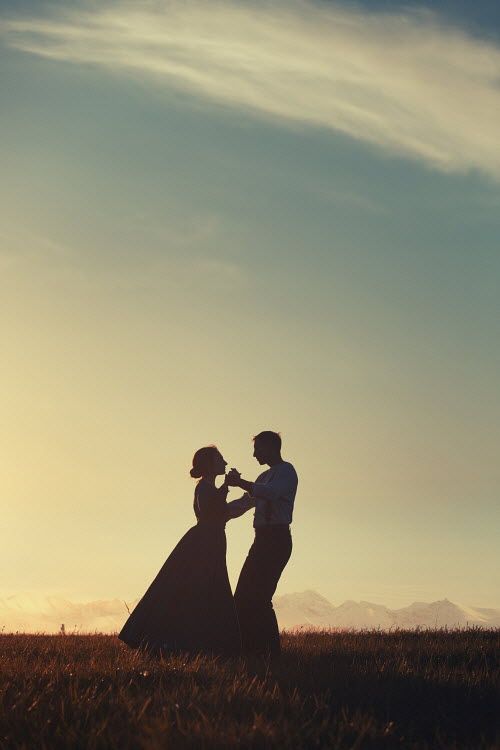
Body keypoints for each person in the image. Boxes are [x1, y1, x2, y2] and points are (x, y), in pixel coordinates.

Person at [118, 446, 241, 656]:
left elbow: (220, 512)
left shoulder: (208, 487)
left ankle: (206, 644)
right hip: (204, 543)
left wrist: (239, 496)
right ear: (209, 464)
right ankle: (192, 643)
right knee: (200, 588)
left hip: (212, 541)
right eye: (220, 459)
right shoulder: (203, 487)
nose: (225, 462)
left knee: (208, 587)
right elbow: (213, 512)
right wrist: (227, 487)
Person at [225, 431, 298, 657]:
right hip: (261, 540)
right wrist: (220, 512)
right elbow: (247, 503)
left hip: (277, 540)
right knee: (243, 595)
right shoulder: (261, 477)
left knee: (261, 597)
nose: (254, 454)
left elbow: (272, 494)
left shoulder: (287, 471)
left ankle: (270, 651)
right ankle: (249, 648)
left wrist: (241, 482)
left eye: (257, 449)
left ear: (269, 448)